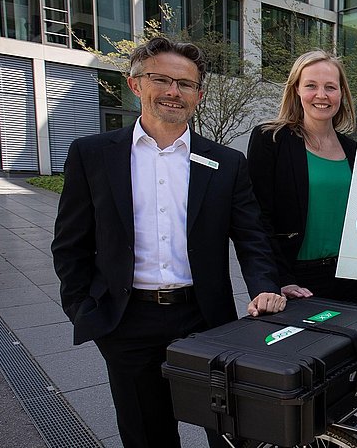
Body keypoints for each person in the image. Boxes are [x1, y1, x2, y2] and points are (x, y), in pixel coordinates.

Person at [51, 37, 287, 448]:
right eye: (161, 79)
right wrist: (83, 309)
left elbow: (252, 236)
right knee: (147, 434)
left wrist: (265, 286)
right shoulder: (92, 154)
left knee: (232, 433)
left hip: (205, 318)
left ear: (199, 94)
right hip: (127, 323)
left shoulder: (226, 163)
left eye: (186, 83)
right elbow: (70, 243)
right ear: (135, 84)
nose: (174, 92)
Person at [247, 51, 357, 306]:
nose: (321, 95)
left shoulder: (354, 150)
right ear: (296, 89)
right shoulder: (270, 140)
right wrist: (278, 279)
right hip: (295, 281)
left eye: (330, 87)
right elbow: (258, 219)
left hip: (350, 279)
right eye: (311, 86)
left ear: (341, 93)